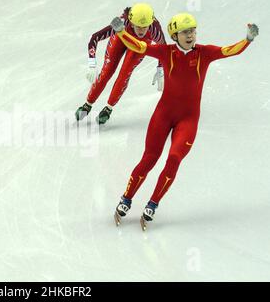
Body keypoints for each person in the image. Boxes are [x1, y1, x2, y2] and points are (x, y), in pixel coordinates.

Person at [110, 13, 259, 228]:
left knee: (174, 158)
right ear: (175, 35)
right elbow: (140, 47)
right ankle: (126, 198)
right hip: (163, 115)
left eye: (193, 31)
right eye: (185, 32)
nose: (191, 35)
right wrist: (121, 32)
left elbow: (228, 51)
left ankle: (153, 203)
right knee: (149, 158)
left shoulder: (205, 53)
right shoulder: (165, 51)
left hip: (188, 120)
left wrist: (247, 39)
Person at [75, 3, 166, 125]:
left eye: (145, 27)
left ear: (150, 24)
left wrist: (160, 69)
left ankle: (108, 109)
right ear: (131, 22)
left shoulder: (154, 29)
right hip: (121, 36)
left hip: (139, 46)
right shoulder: (122, 23)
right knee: (107, 71)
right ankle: (87, 104)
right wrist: (92, 64)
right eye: (138, 26)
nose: (141, 30)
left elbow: (163, 50)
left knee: (125, 74)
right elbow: (94, 38)